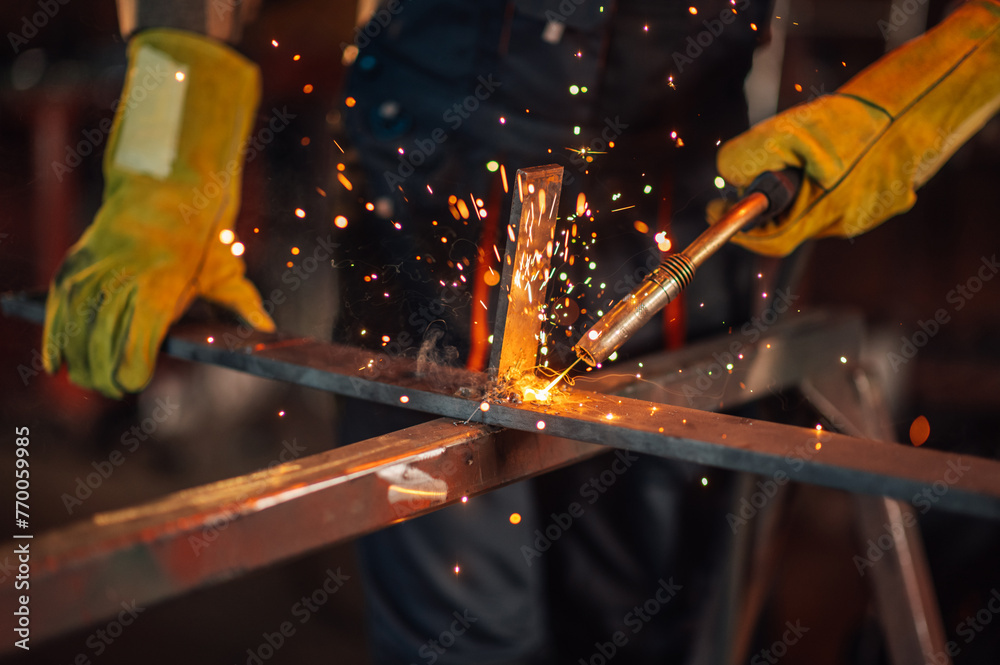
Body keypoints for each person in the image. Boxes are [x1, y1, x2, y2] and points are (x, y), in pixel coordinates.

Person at [41, 0, 1000, 662]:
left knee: (651, 622)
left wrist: (948, 79)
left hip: (674, 220)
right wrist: (167, 152)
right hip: (428, 210)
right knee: (463, 631)